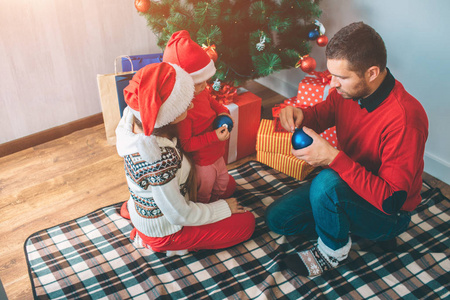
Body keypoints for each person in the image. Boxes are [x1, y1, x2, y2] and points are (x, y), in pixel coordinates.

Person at [265, 22, 428, 277]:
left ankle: (333, 252)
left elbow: (391, 199)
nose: (333, 84)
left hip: (389, 213)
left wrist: (332, 158)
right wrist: (298, 115)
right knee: (278, 220)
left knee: (327, 182)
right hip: (349, 186)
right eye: (332, 74)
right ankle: (348, 224)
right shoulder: (348, 93)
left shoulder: (406, 119)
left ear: (372, 73)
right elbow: (320, 115)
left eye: (341, 77)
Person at [116, 62, 255, 256]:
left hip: (168, 198)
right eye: (183, 104)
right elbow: (179, 214)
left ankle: (136, 211)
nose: (191, 104)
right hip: (168, 229)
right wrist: (221, 209)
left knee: (228, 185)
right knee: (246, 223)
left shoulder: (135, 117)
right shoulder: (158, 159)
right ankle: (162, 244)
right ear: (168, 116)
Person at [163, 30, 237, 204]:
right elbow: (187, 144)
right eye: (198, 82)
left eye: (205, 80)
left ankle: (218, 203)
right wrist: (214, 136)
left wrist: (223, 112)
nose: (205, 85)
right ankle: (208, 210)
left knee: (223, 183)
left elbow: (213, 103)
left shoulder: (202, 91)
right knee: (204, 191)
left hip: (217, 153)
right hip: (203, 161)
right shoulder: (184, 112)